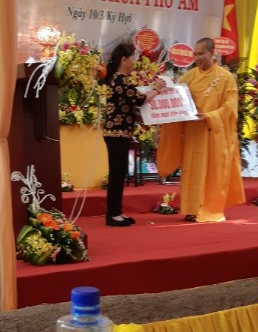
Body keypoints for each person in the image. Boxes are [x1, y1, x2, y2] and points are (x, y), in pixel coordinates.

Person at [157, 37, 245, 222]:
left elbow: (231, 108)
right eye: (195, 54)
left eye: (200, 54)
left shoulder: (225, 77)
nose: (196, 58)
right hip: (193, 134)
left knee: (212, 173)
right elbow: (177, 101)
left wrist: (210, 116)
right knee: (192, 172)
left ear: (212, 53)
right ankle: (192, 208)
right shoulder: (188, 77)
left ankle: (210, 208)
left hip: (214, 133)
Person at [103, 42, 165, 227]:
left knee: (119, 173)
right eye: (132, 58)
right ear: (124, 60)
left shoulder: (117, 79)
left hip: (118, 133)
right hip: (117, 134)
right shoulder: (120, 80)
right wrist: (157, 88)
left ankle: (117, 211)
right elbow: (140, 99)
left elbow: (128, 107)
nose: (134, 62)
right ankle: (112, 214)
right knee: (117, 174)